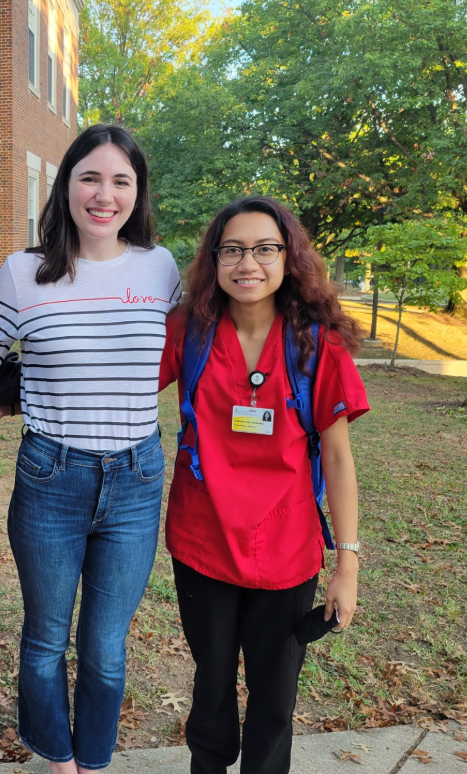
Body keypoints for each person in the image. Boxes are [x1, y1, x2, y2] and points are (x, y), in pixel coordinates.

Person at [0, 124, 182, 774]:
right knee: (44, 641)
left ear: (137, 193)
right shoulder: (21, 271)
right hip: (50, 477)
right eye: (90, 177)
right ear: (66, 185)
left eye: (121, 180)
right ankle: (57, 762)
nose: (104, 193)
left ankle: (93, 765)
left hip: (136, 478)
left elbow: (182, 359)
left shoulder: (161, 268)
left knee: (106, 650)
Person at [158, 196, 368, 774]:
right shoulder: (189, 332)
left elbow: (340, 457)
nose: (247, 263)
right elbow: (119, 376)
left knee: (275, 696)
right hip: (203, 543)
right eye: (232, 249)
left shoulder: (316, 345)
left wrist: (345, 565)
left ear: (288, 258)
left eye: (264, 248)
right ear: (213, 259)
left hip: (287, 548)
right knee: (213, 684)